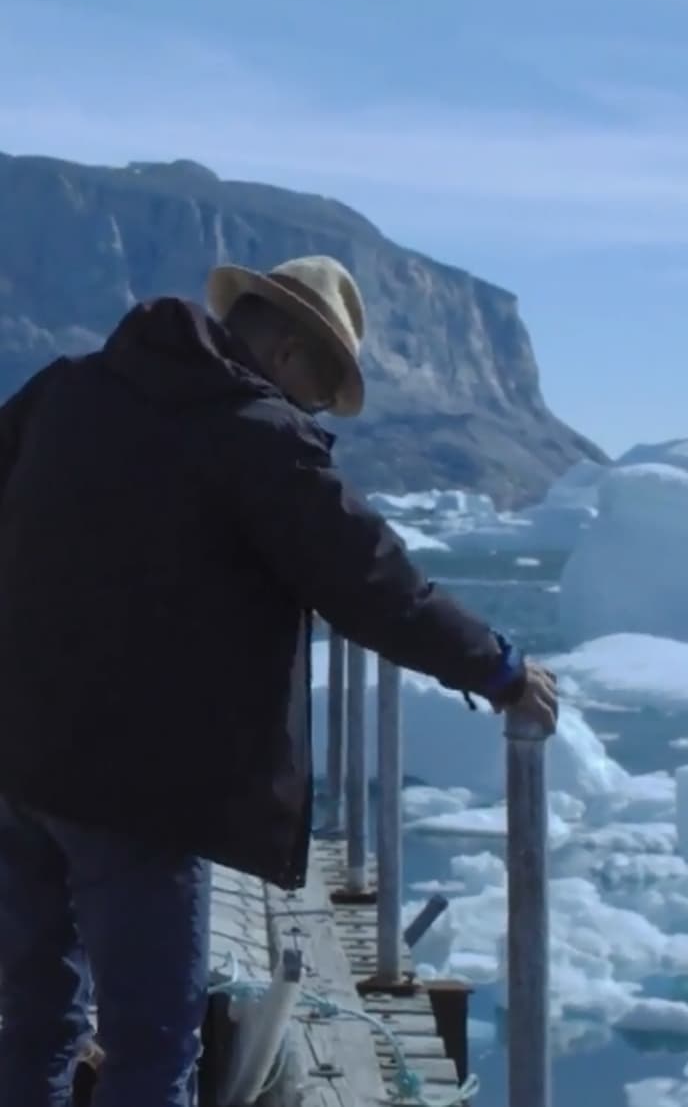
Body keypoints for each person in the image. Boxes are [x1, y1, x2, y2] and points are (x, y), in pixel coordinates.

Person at [0, 255, 557, 1107]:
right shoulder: (254, 433)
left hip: (20, 755)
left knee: (37, 1014)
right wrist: (500, 667)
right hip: (139, 785)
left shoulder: (66, 388)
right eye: (320, 392)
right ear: (292, 352)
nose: (314, 410)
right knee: (152, 1047)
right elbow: (375, 586)